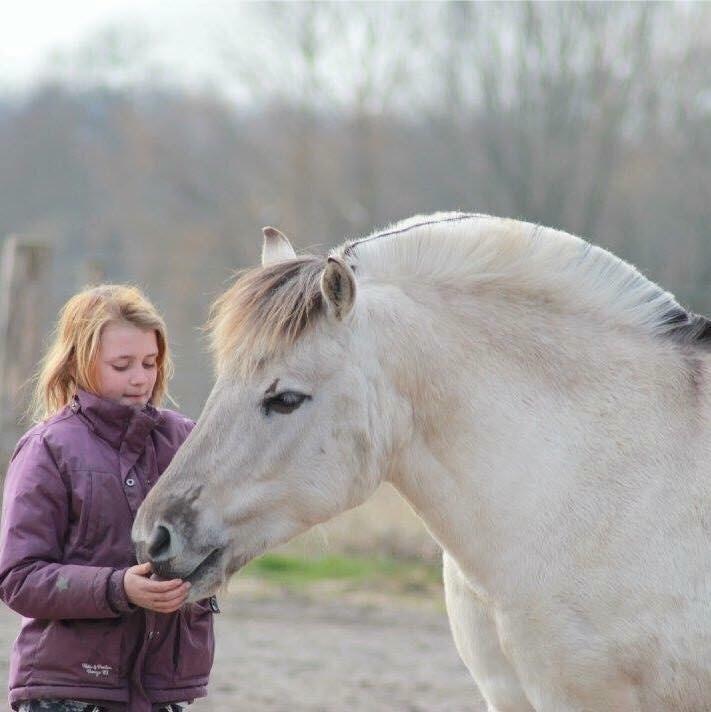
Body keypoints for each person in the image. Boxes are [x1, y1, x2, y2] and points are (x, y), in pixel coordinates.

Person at [0, 284, 216, 712]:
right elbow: (18, 578)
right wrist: (119, 588)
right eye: (122, 365)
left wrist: (199, 582)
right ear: (79, 362)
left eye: (150, 363)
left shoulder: (186, 439)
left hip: (161, 691)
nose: (140, 377)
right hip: (67, 693)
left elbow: (217, 538)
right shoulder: (47, 448)